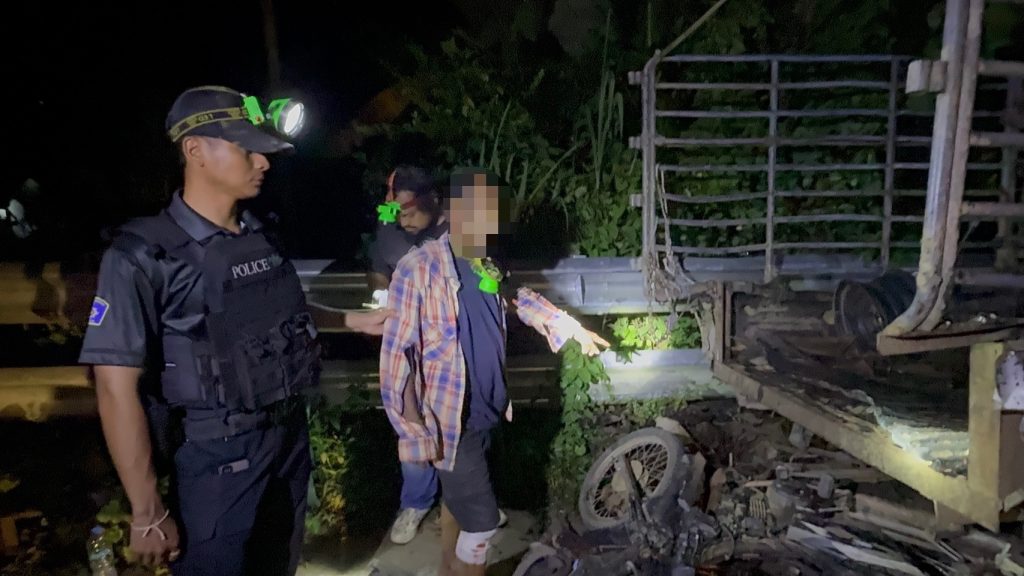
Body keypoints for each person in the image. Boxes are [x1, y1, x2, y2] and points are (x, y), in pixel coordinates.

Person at [78, 85, 389, 575]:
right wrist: (147, 510)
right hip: (215, 457)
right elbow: (114, 388)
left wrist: (351, 320)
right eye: (247, 150)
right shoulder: (140, 256)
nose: (262, 162)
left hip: (287, 441)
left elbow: (280, 307)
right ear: (195, 150)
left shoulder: (258, 233)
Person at [379, 168, 608, 576]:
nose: (488, 223)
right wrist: (414, 433)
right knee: (482, 523)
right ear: (453, 210)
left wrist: (569, 327)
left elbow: (515, 298)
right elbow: (397, 359)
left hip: (487, 409)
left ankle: (448, 569)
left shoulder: (484, 262)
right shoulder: (418, 269)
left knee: (457, 503)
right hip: (452, 422)